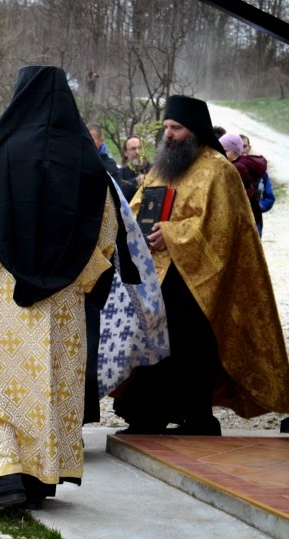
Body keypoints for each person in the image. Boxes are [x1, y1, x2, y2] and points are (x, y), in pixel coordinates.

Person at [0, 65, 119, 510]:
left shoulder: (0, 152)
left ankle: (4, 477)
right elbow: (106, 235)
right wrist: (78, 280)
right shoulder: (88, 161)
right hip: (63, 302)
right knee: (50, 388)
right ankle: (38, 479)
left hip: (7, 294)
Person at [114, 95, 289, 434]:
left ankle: (196, 419)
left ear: (194, 130)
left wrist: (172, 233)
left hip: (198, 282)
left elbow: (223, 228)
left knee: (191, 347)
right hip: (157, 275)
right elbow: (137, 207)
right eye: (167, 127)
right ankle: (148, 415)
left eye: (176, 128)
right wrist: (136, 227)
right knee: (152, 343)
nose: (169, 134)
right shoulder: (162, 168)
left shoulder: (218, 170)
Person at [220, 132, 267, 234]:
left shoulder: (236, 168)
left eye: (226, 151)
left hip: (244, 214)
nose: (222, 154)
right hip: (250, 212)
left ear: (236, 153)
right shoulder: (244, 163)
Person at [242, 135, 276, 232]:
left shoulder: (259, 171)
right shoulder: (229, 169)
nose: (242, 150)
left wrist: (257, 207)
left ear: (249, 147)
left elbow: (269, 197)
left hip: (255, 222)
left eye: (244, 146)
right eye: (239, 146)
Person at [117, 135, 151, 200]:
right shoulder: (120, 173)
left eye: (140, 148)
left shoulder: (153, 169)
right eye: (133, 149)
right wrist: (136, 181)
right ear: (125, 153)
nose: (137, 152)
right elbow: (119, 193)